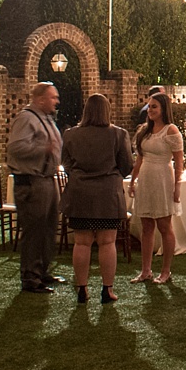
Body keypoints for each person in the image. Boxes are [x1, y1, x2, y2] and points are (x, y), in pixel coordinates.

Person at [60, 94, 134, 305]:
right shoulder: (118, 134)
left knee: (81, 243)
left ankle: (82, 289)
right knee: (107, 242)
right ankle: (107, 290)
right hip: (107, 194)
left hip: (80, 193)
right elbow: (127, 166)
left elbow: (65, 164)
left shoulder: (71, 134)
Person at [7, 82, 65, 294]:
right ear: (40, 99)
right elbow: (16, 147)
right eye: (53, 97)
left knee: (49, 228)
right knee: (35, 230)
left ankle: (43, 271)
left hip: (47, 179)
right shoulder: (26, 119)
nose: (56, 101)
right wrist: (44, 149)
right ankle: (31, 278)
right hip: (32, 181)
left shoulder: (45, 119)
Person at [130, 94, 185, 284]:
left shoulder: (171, 130)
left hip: (163, 178)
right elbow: (139, 159)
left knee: (164, 225)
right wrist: (132, 181)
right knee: (146, 226)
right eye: (149, 107)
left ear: (163, 109)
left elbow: (179, 161)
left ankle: (166, 271)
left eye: (155, 107)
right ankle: (146, 270)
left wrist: (177, 186)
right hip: (145, 179)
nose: (151, 110)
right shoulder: (144, 131)